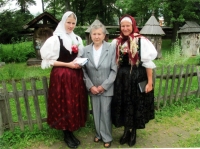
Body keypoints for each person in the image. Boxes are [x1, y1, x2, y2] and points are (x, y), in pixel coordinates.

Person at [40, 11, 87, 148]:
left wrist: (79, 63)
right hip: (61, 76)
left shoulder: (77, 39)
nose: (71, 25)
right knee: (64, 103)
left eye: (73, 23)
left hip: (75, 76)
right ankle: (66, 133)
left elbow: (78, 56)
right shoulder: (55, 39)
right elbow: (49, 61)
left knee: (73, 103)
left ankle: (71, 130)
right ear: (63, 22)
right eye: (68, 22)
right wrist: (68, 65)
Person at [111, 14, 157, 147]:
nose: (125, 28)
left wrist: (149, 82)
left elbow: (148, 63)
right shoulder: (117, 42)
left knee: (136, 103)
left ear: (133, 26)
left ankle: (134, 132)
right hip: (122, 79)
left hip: (137, 76)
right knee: (124, 103)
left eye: (128, 26)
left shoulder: (141, 41)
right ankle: (126, 131)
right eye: (123, 26)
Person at [80, 24, 117, 148]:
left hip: (106, 87)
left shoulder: (111, 48)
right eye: (94, 34)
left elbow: (114, 70)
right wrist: (90, 86)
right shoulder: (85, 50)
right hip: (93, 88)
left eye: (99, 34)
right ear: (90, 35)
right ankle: (98, 134)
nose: (96, 36)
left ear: (104, 35)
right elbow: (83, 70)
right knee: (96, 112)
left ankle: (107, 136)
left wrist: (104, 86)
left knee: (105, 112)